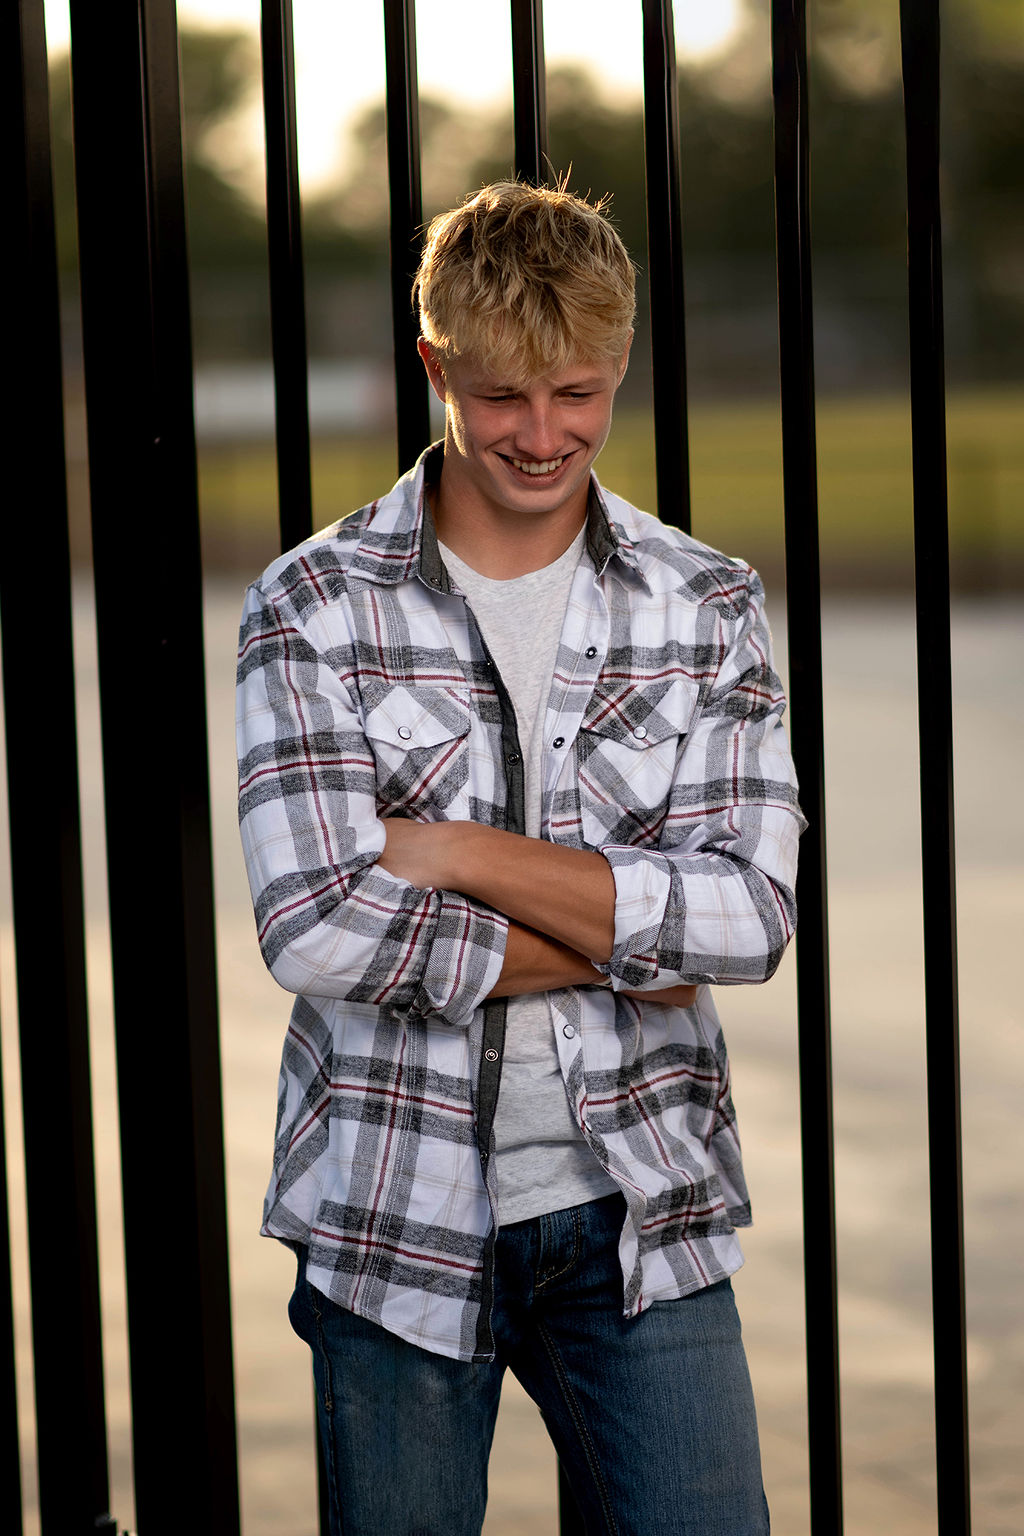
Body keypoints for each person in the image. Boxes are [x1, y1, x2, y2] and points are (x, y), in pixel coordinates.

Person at [236, 180, 804, 1536]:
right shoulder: (313, 606)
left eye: (577, 392)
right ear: (434, 367)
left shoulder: (708, 603)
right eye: (498, 397)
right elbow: (314, 926)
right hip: (389, 1214)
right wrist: (622, 938)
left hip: (642, 1210)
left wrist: (457, 852)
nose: (541, 436)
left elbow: (755, 918)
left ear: (618, 371)